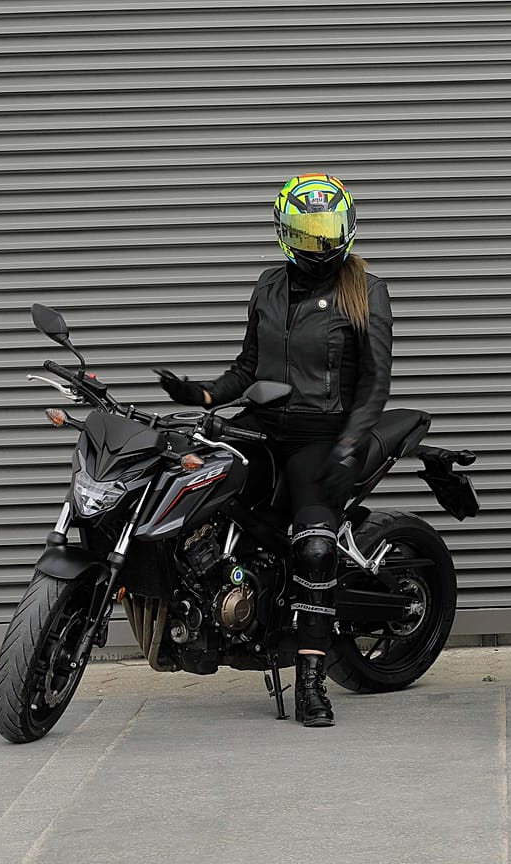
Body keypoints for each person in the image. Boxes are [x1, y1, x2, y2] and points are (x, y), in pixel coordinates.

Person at [155, 173, 393, 725]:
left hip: (320, 436)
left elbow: (375, 382)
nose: (321, 245)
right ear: (286, 232)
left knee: (313, 546)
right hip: (261, 424)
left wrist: (349, 446)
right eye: (309, 235)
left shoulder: (367, 290)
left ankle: (311, 680)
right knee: (190, 486)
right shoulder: (267, 285)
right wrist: (203, 393)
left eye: (329, 232)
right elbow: (247, 367)